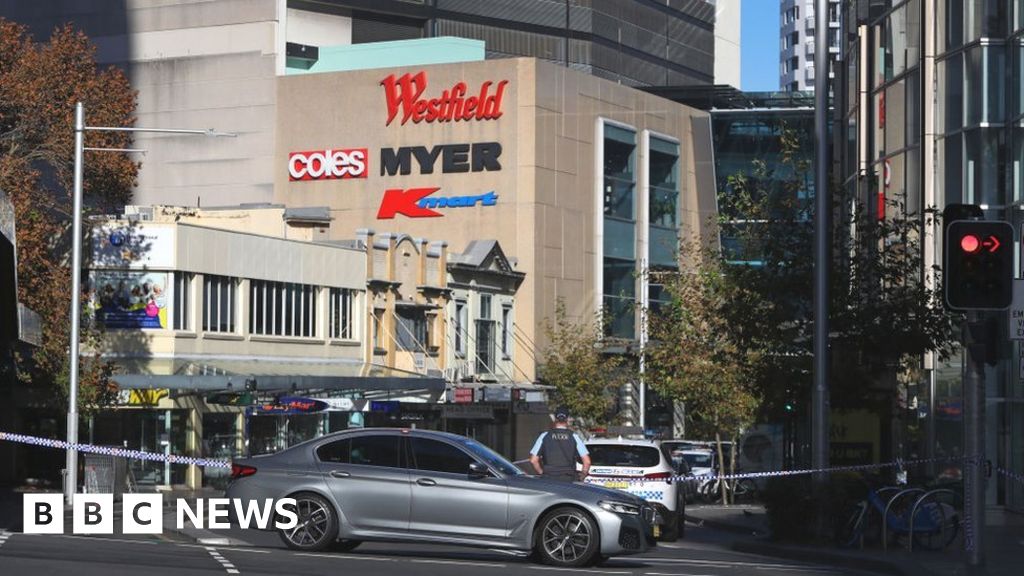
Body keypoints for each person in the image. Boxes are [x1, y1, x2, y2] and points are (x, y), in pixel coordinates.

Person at [529, 406, 591, 482]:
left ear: (555, 419)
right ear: (567, 419)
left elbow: (533, 460)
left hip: (548, 478)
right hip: (569, 480)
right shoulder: (574, 436)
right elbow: (587, 462)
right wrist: (582, 476)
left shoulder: (544, 436)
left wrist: (542, 473)